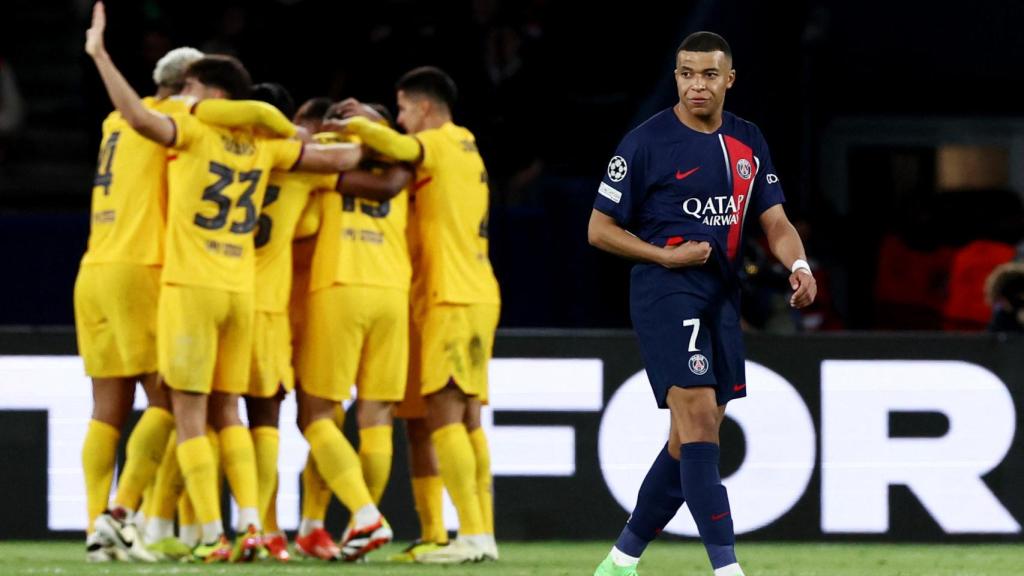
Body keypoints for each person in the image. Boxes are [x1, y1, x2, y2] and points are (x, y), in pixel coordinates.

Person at [85, 1, 365, 562]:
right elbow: (344, 159)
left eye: (194, 89)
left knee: (178, 409)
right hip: (239, 291)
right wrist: (355, 130)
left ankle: (182, 528)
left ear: (209, 93)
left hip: (176, 281)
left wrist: (99, 55)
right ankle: (251, 525)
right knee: (228, 411)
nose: (187, 97)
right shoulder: (267, 144)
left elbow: (140, 117)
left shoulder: (181, 130)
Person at [587, 31, 816, 576]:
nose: (697, 85)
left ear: (728, 80)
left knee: (690, 437)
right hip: (666, 291)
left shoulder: (747, 139)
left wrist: (800, 265)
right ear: (676, 78)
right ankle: (726, 569)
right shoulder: (645, 142)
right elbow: (599, 228)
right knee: (695, 418)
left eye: (709, 74)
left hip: (721, 295)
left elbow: (775, 221)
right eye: (687, 74)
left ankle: (619, 562)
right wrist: (664, 257)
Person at [336, 66, 501, 563]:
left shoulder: (440, 142)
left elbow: (400, 147)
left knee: (445, 414)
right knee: (466, 417)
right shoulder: (467, 144)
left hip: (451, 294)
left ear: (424, 107)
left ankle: (472, 536)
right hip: (477, 290)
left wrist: (355, 121)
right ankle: (480, 533)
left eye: (404, 109)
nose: (402, 119)